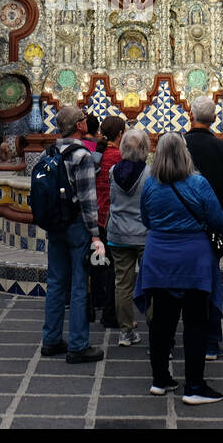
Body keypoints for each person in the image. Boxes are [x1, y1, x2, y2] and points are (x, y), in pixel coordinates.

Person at [136, 132, 223, 404]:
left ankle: (160, 380)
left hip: (159, 258)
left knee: (162, 321)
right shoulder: (198, 183)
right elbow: (218, 219)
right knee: (196, 322)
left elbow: (146, 219)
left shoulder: (151, 184)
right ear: (185, 153)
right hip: (193, 260)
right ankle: (194, 386)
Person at [40, 105, 105, 364]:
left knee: (56, 282)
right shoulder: (81, 156)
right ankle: (78, 345)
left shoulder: (49, 151)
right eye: (83, 118)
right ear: (79, 125)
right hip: (77, 225)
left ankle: (52, 339)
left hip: (55, 224)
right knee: (79, 285)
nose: (86, 120)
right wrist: (95, 234)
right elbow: (89, 201)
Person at [183, 95, 223, 359]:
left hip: (181, 227)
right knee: (210, 282)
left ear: (190, 115)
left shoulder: (177, 145)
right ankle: (211, 342)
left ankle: (178, 339)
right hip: (210, 228)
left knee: (180, 283)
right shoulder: (222, 149)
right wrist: (220, 214)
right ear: (215, 119)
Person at [107, 126, 151, 347]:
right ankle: (157, 333)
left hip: (118, 235)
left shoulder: (112, 171)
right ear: (145, 149)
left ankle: (126, 332)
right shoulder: (150, 174)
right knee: (152, 283)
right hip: (144, 236)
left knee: (122, 284)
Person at [91, 115, 126, 329]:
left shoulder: (96, 155)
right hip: (112, 218)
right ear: (120, 134)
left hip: (95, 216)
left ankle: (97, 301)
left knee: (98, 262)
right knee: (115, 266)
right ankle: (110, 313)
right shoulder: (120, 157)